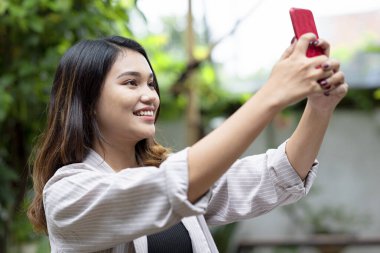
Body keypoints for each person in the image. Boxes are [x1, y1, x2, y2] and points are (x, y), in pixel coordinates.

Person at [27, 34, 348, 253]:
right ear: (87, 100)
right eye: (130, 83)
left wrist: (319, 107)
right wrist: (271, 94)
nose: (149, 95)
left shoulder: (169, 172)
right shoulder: (68, 194)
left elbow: (277, 175)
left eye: (151, 83)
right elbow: (173, 185)